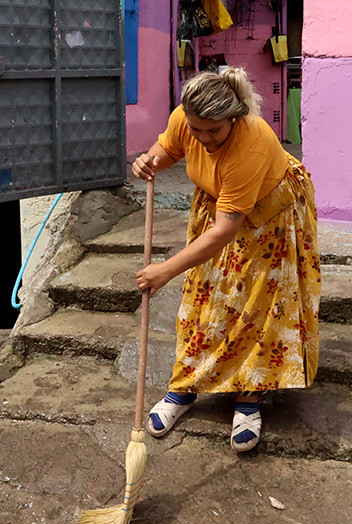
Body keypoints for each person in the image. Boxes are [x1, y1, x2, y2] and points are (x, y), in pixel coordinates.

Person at [132, 67, 320, 452]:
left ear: (233, 120)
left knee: (256, 307)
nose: (203, 139)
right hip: (217, 203)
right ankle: (184, 388)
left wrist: (163, 271)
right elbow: (169, 148)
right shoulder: (188, 118)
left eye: (213, 132)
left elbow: (223, 232)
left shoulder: (251, 144)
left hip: (269, 214)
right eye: (196, 130)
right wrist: (149, 160)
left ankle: (248, 398)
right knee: (204, 301)